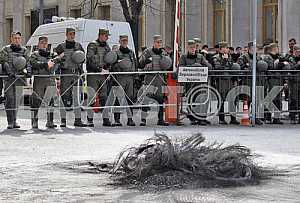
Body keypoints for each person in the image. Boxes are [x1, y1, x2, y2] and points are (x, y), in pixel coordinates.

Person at [29, 36, 64, 129]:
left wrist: (56, 60)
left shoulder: (51, 54)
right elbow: (33, 63)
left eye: (45, 43)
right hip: (39, 79)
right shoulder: (34, 54)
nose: (44, 44)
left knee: (51, 100)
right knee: (36, 100)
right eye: (42, 43)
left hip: (50, 79)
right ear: (38, 44)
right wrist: (45, 64)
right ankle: (34, 122)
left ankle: (50, 121)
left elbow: (58, 61)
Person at [55, 28, 87, 127]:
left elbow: (82, 59)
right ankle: (63, 121)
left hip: (76, 73)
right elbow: (57, 61)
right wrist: (57, 76)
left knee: (77, 96)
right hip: (66, 73)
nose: (72, 36)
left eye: (73, 34)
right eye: (70, 34)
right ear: (66, 34)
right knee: (64, 97)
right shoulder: (60, 47)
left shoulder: (78, 46)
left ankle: (78, 120)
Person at [139, 35, 172, 126]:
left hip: (160, 78)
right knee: (146, 98)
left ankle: (160, 119)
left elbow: (168, 64)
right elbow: (140, 64)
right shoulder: (147, 52)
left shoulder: (163, 53)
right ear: (153, 42)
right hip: (149, 77)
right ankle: (143, 119)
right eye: (157, 42)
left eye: (160, 42)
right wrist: (145, 61)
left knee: (160, 99)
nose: (159, 44)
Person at [0, 31, 30, 129]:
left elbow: (27, 62)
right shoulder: (5, 49)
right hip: (9, 78)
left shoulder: (24, 50)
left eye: (18, 38)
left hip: (19, 79)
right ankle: (10, 121)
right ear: (11, 39)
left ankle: (15, 120)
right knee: (10, 99)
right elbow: (3, 61)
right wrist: (9, 71)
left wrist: (28, 71)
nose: (17, 40)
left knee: (17, 100)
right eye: (15, 38)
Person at [179, 40, 212, 125]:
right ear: (187, 48)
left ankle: (202, 117)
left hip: (200, 83)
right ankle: (193, 118)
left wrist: (204, 65)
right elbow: (181, 68)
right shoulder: (183, 57)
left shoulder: (200, 57)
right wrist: (192, 67)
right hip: (189, 83)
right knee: (192, 100)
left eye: (194, 47)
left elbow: (209, 67)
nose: (193, 49)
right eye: (191, 48)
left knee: (203, 99)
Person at [86, 28, 112, 127]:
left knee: (104, 97)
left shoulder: (107, 47)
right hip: (93, 74)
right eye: (106, 36)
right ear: (100, 35)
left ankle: (105, 119)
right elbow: (89, 61)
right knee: (91, 97)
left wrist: (107, 70)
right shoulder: (92, 45)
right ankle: (90, 119)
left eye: (107, 36)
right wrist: (99, 70)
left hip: (103, 75)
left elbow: (109, 59)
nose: (107, 38)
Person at [110, 35, 137, 126]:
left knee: (130, 98)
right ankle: (117, 119)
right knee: (117, 99)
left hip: (129, 78)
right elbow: (112, 66)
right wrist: (119, 65)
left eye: (126, 40)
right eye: (123, 41)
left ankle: (130, 119)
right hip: (119, 78)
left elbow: (135, 64)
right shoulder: (116, 53)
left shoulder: (131, 53)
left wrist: (135, 77)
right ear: (119, 41)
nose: (124, 42)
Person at [212, 42, 239, 125]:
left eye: (227, 48)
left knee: (232, 99)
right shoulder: (216, 57)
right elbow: (217, 68)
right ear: (221, 49)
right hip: (221, 80)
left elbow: (232, 67)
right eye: (226, 48)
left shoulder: (229, 57)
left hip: (229, 80)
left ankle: (233, 118)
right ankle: (221, 118)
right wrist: (224, 60)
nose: (227, 49)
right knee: (222, 100)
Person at [262, 43, 283, 124]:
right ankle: (267, 116)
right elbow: (271, 66)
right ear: (274, 49)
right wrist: (280, 64)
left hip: (278, 79)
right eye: (277, 48)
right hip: (271, 80)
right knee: (270, 99)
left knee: (278, 99)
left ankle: (277, 118)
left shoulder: (278, 57)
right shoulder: (267, 57)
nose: (278, 49)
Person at [288, 45, 300, 124]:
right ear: (294, 51)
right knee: (293, 99)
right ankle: (292, 117)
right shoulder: (291, 59)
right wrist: (298, 64)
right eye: (297, 51)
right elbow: (291, 69)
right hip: (294, 82)